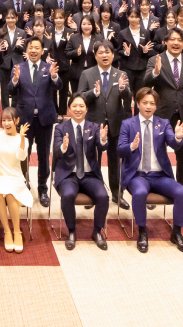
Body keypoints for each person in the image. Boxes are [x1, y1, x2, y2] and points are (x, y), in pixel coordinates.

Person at [118, 87, 183, 254]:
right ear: (137, 104)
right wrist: (131, 146)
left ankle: (177, 233)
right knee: (140, 193)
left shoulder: (163, 123)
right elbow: (120, 150)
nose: (148, 106)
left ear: (156, 106)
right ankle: (142, 232)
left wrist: (178, 137)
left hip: (159, 175)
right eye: (144, 103)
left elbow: (173, 143)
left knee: (182, 192)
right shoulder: (127, 124)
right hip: (137, 175)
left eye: (152, 103)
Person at [141, 28, 183, 202]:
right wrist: (155, 72)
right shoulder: (155, 60)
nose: (176, 43)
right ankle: (155, 189)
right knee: (156, 154)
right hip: (162, 115)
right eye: (172, 39)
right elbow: (146, 83)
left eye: (179, 40)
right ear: (165, 42)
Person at [76, 40, 132, 209]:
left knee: (115, 161)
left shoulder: (121, 74)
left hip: (115, 124)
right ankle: (94, 193)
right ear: (95, 55)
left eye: (108, 52)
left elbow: (128, 98)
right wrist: (93, 93)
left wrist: (123, 90)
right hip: (94, 125)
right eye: (100, 52)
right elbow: (80, 98)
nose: (104, 55)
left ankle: (117, 193)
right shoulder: (87, 74)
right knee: (94, 161)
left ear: (113, 55)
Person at [8, 36, 61, 206]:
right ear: (26, 50)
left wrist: (54, 77)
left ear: (42, 50)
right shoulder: (18, 68)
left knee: (44, 156)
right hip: (24, 118)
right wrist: (15, 80)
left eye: (37, 48)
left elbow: (59, 86)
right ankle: (24, 186)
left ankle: (43, 189)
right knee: (23, 154)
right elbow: (10, 90)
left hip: (45, 119)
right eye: (31, 48)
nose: (33, 51)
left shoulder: (48, 67)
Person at [53, 96, 110, 251]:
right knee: (68, 195)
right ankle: (71, 231)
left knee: (103, 196)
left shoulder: (94, 127)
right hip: (68, 174)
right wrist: (63, 147)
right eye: (74, 106)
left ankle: (97, 231)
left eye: (81, 106)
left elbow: (102, 147)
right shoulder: (60, 128)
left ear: (86, 109)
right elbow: (56, 153)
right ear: (69, 109)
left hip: (90, 175)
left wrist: (103, 140)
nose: (78, 109)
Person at [0, 107, 34, 253]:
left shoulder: (23, 139)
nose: (6, 123)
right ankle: (7, 232)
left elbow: (22, 157)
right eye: (3, 120)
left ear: (16, 121)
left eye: (9, 120)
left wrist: (21, 140)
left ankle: (17, 231)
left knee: (10, 194)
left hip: (14, 176)